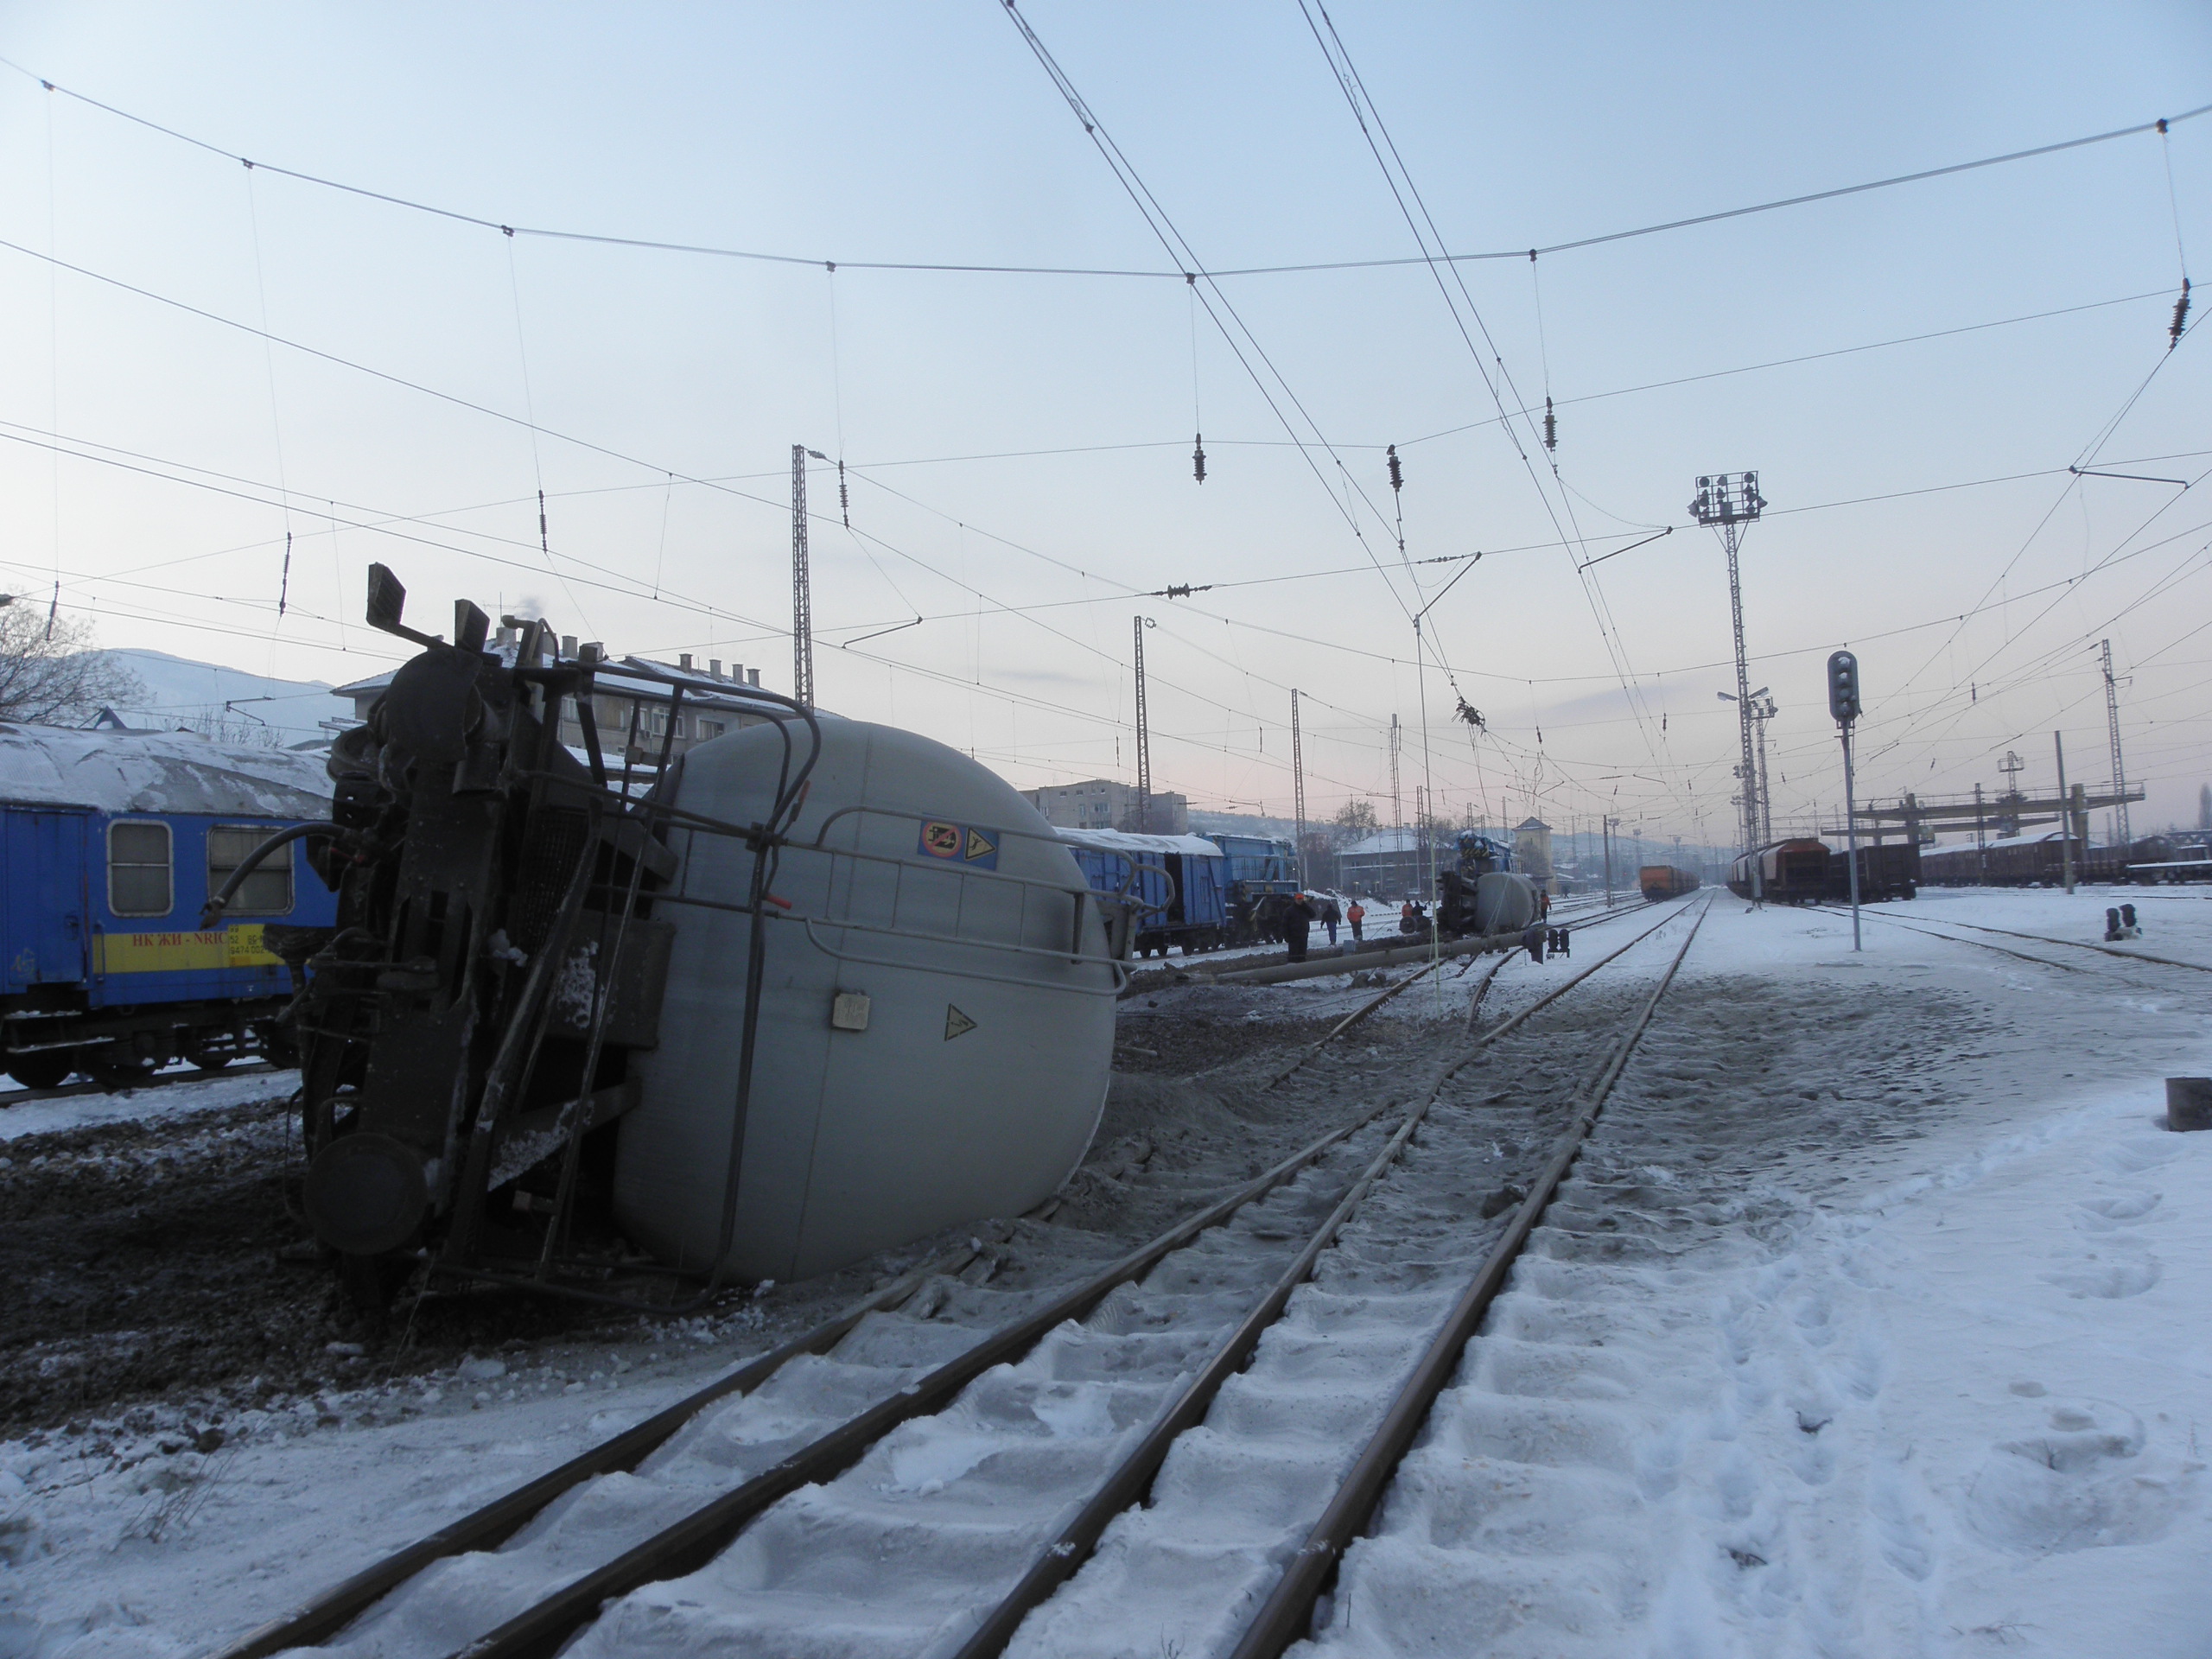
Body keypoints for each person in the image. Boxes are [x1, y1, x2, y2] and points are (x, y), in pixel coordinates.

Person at [1282, 892, 1318, 963]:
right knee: (1293, 955)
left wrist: (1306, 906)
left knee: (1302, 955)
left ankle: (1302, 969)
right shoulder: (1289, 911)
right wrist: (1286, 936)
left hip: (1303, 935)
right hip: (1293, 936)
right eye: (1298, 899)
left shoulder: (1305, 909)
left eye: (1301, 899)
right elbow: (1284, 924)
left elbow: (1313, 914)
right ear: (1295, 899)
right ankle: (1292, 969)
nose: (1300, 900)